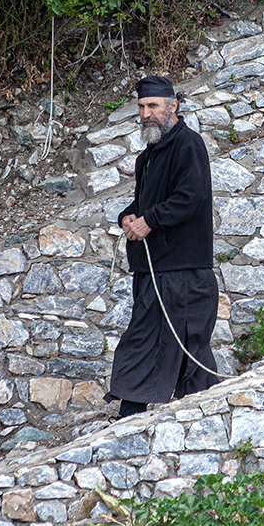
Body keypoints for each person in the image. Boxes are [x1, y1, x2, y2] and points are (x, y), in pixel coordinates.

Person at [107, 75, 221, 418]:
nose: (146, 114)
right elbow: (144, 203)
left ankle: (146, 412)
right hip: (154, 269)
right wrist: (128, 217)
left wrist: (150, 220)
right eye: (141, 107)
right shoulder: (149, 157)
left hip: (182, 271)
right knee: (152, 340)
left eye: (153, 106)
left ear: (173, 106)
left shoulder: (189, 145)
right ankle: (193, 411)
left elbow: (190, 198)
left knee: (184, 342)